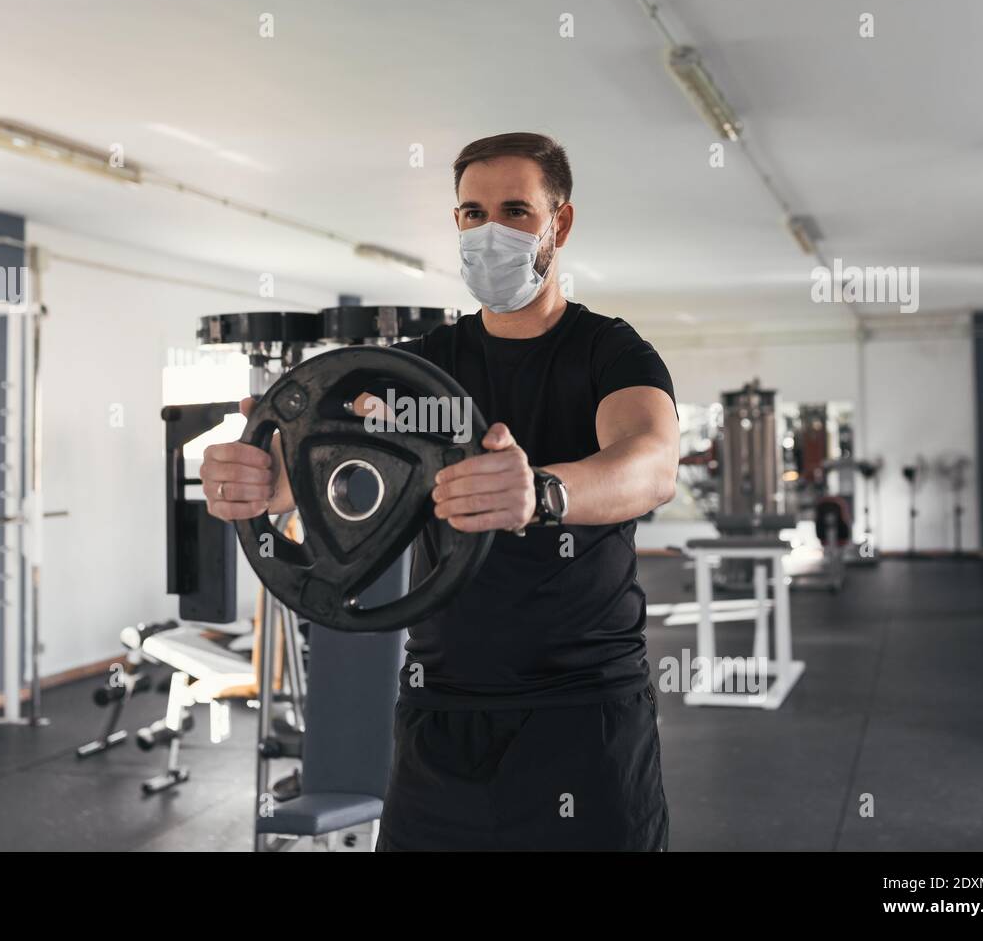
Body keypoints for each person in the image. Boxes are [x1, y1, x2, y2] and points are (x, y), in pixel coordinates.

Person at [201, 132, 680, 851]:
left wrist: (541, 493)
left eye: (516, 211)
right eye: (471, 213)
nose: (490, 232)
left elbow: (650, 462)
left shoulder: (608, 352)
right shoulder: (421, 368)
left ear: (561, 224)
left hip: (583, 711)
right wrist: (262, 483)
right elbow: (332, 461)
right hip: (440, 711)